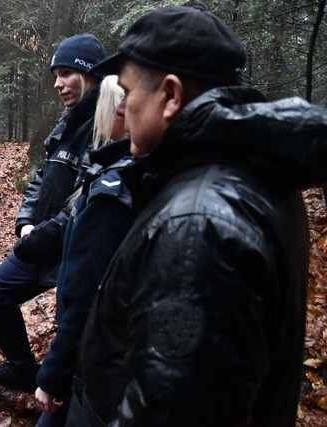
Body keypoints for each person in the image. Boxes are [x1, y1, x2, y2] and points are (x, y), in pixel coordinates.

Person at [67, 6, 327, 426]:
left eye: (129, 94)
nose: (119, 109)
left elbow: (174, 409)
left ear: (170, 96)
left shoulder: (197, 227)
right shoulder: (257, 172)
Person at [0, 34, 106, 392]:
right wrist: (25, 223)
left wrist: (41, 238)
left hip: (75, 252)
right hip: (42, 242)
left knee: (72, 328)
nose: (58, 83)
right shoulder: (67, 120)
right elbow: (41, 177)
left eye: (66, 73)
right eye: (55, 74)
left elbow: (87, 204)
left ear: (89, 73)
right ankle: (22, 368)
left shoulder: (107, 124)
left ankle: (62, 393)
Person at [34, 75, 133, 426]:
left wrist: (50, 373)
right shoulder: (109, 167)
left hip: (90, 349)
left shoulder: (112, 191)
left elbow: (86, 291)